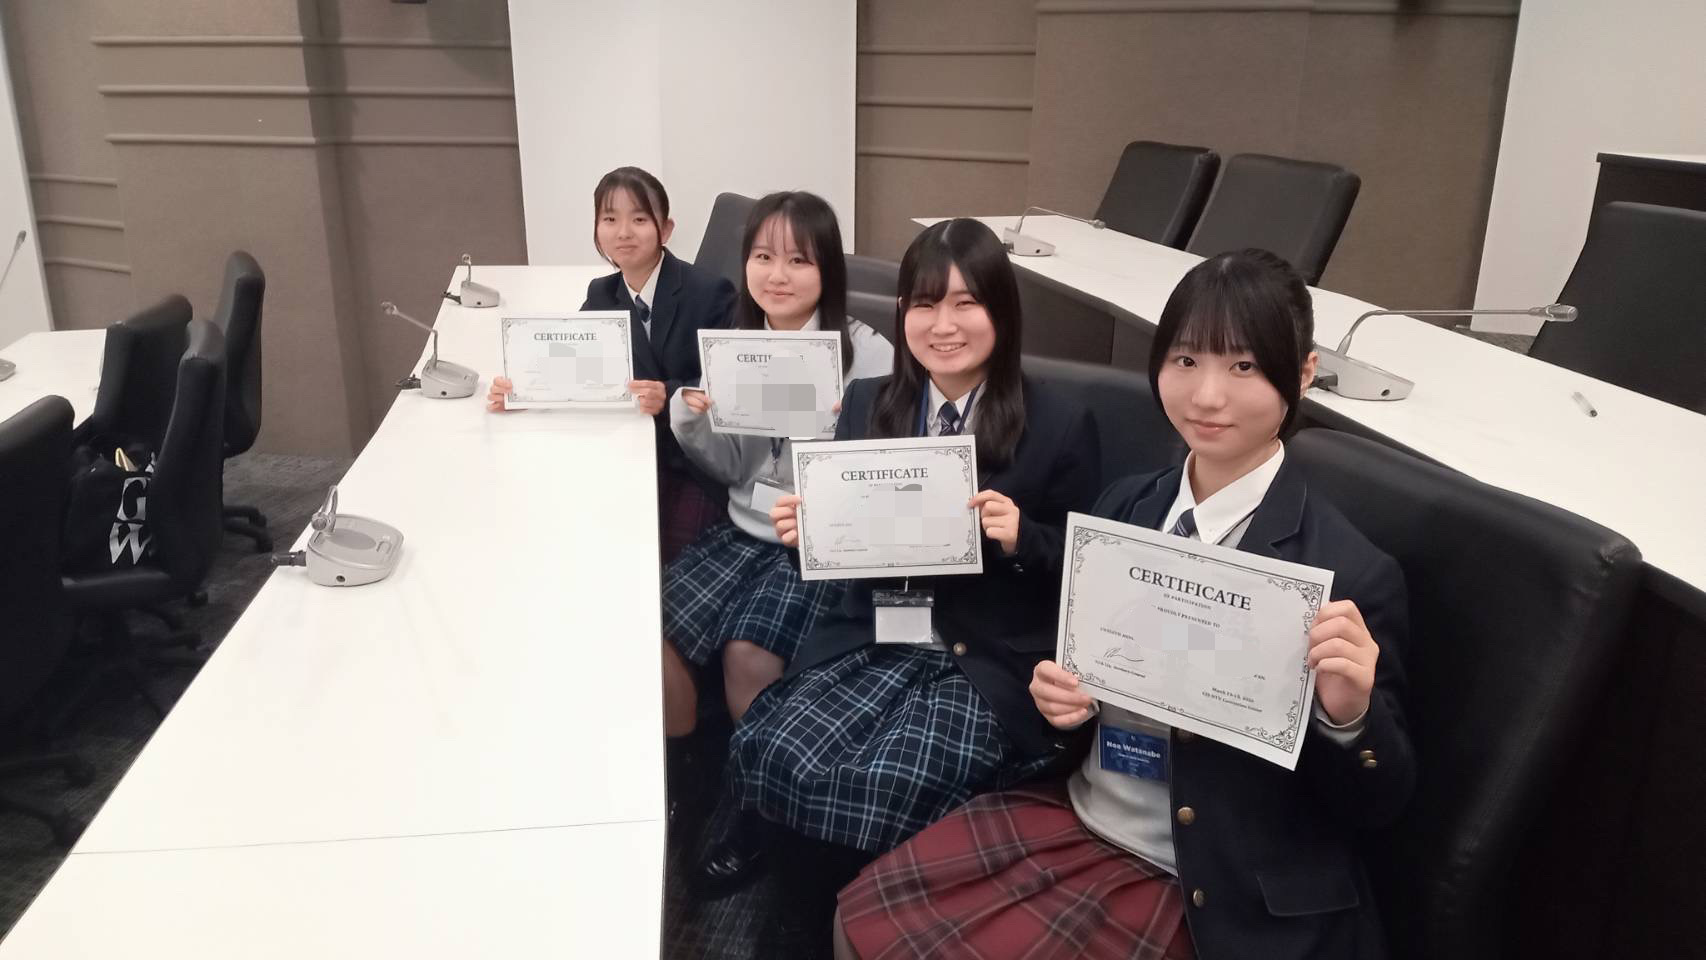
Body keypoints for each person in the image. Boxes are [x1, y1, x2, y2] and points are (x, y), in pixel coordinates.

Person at [833, 248, 1417, 960]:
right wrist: (1061, 702)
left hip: (1211, 877)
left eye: (1243, 367)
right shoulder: (1125, 509)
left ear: (1301, 373)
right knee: (858, 918)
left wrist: (1349, 718)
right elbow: (1077, 677)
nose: (1207, 396)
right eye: (1185, 360)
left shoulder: (1347, 569)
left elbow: (1380, 808)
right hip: (1084, 809)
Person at [695, 219, 1103, 919]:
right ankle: (794, 885)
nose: (942, 325)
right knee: (777, 742)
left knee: (885, 780)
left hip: (981, 652)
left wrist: (1023, 539)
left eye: (966, 303)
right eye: (924, 303)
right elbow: (842, 561)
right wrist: (807, 537)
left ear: (1001, 312)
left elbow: (1087, 575)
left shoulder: (1059, 422)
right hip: (877, 626)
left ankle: (862, 910)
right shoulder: (868, 403)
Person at [661, 191, 892, 737]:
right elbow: (732, 470)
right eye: (763, 257)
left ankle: (753, 769)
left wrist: (843, 431)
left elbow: (886, 479)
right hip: (744, 529)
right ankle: (684, 758)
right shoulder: (737, 348)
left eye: (798, 260)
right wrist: (690, 418)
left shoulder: (870, 354)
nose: (777, 275)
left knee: (748, 653)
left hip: (817, 546)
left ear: (826, 270)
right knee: (654, 625)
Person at [486, 166, 736, 562]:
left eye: (639, 219)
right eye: (609, 219)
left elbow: (730, 386)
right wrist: (522, 391)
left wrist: (669, 395)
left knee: (656, 559)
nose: (623, 232)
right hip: (626, 449)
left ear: (666, 229)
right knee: (572, 532)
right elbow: (572, 362)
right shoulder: (602, 293)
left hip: (690, 460)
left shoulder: (709, 292)